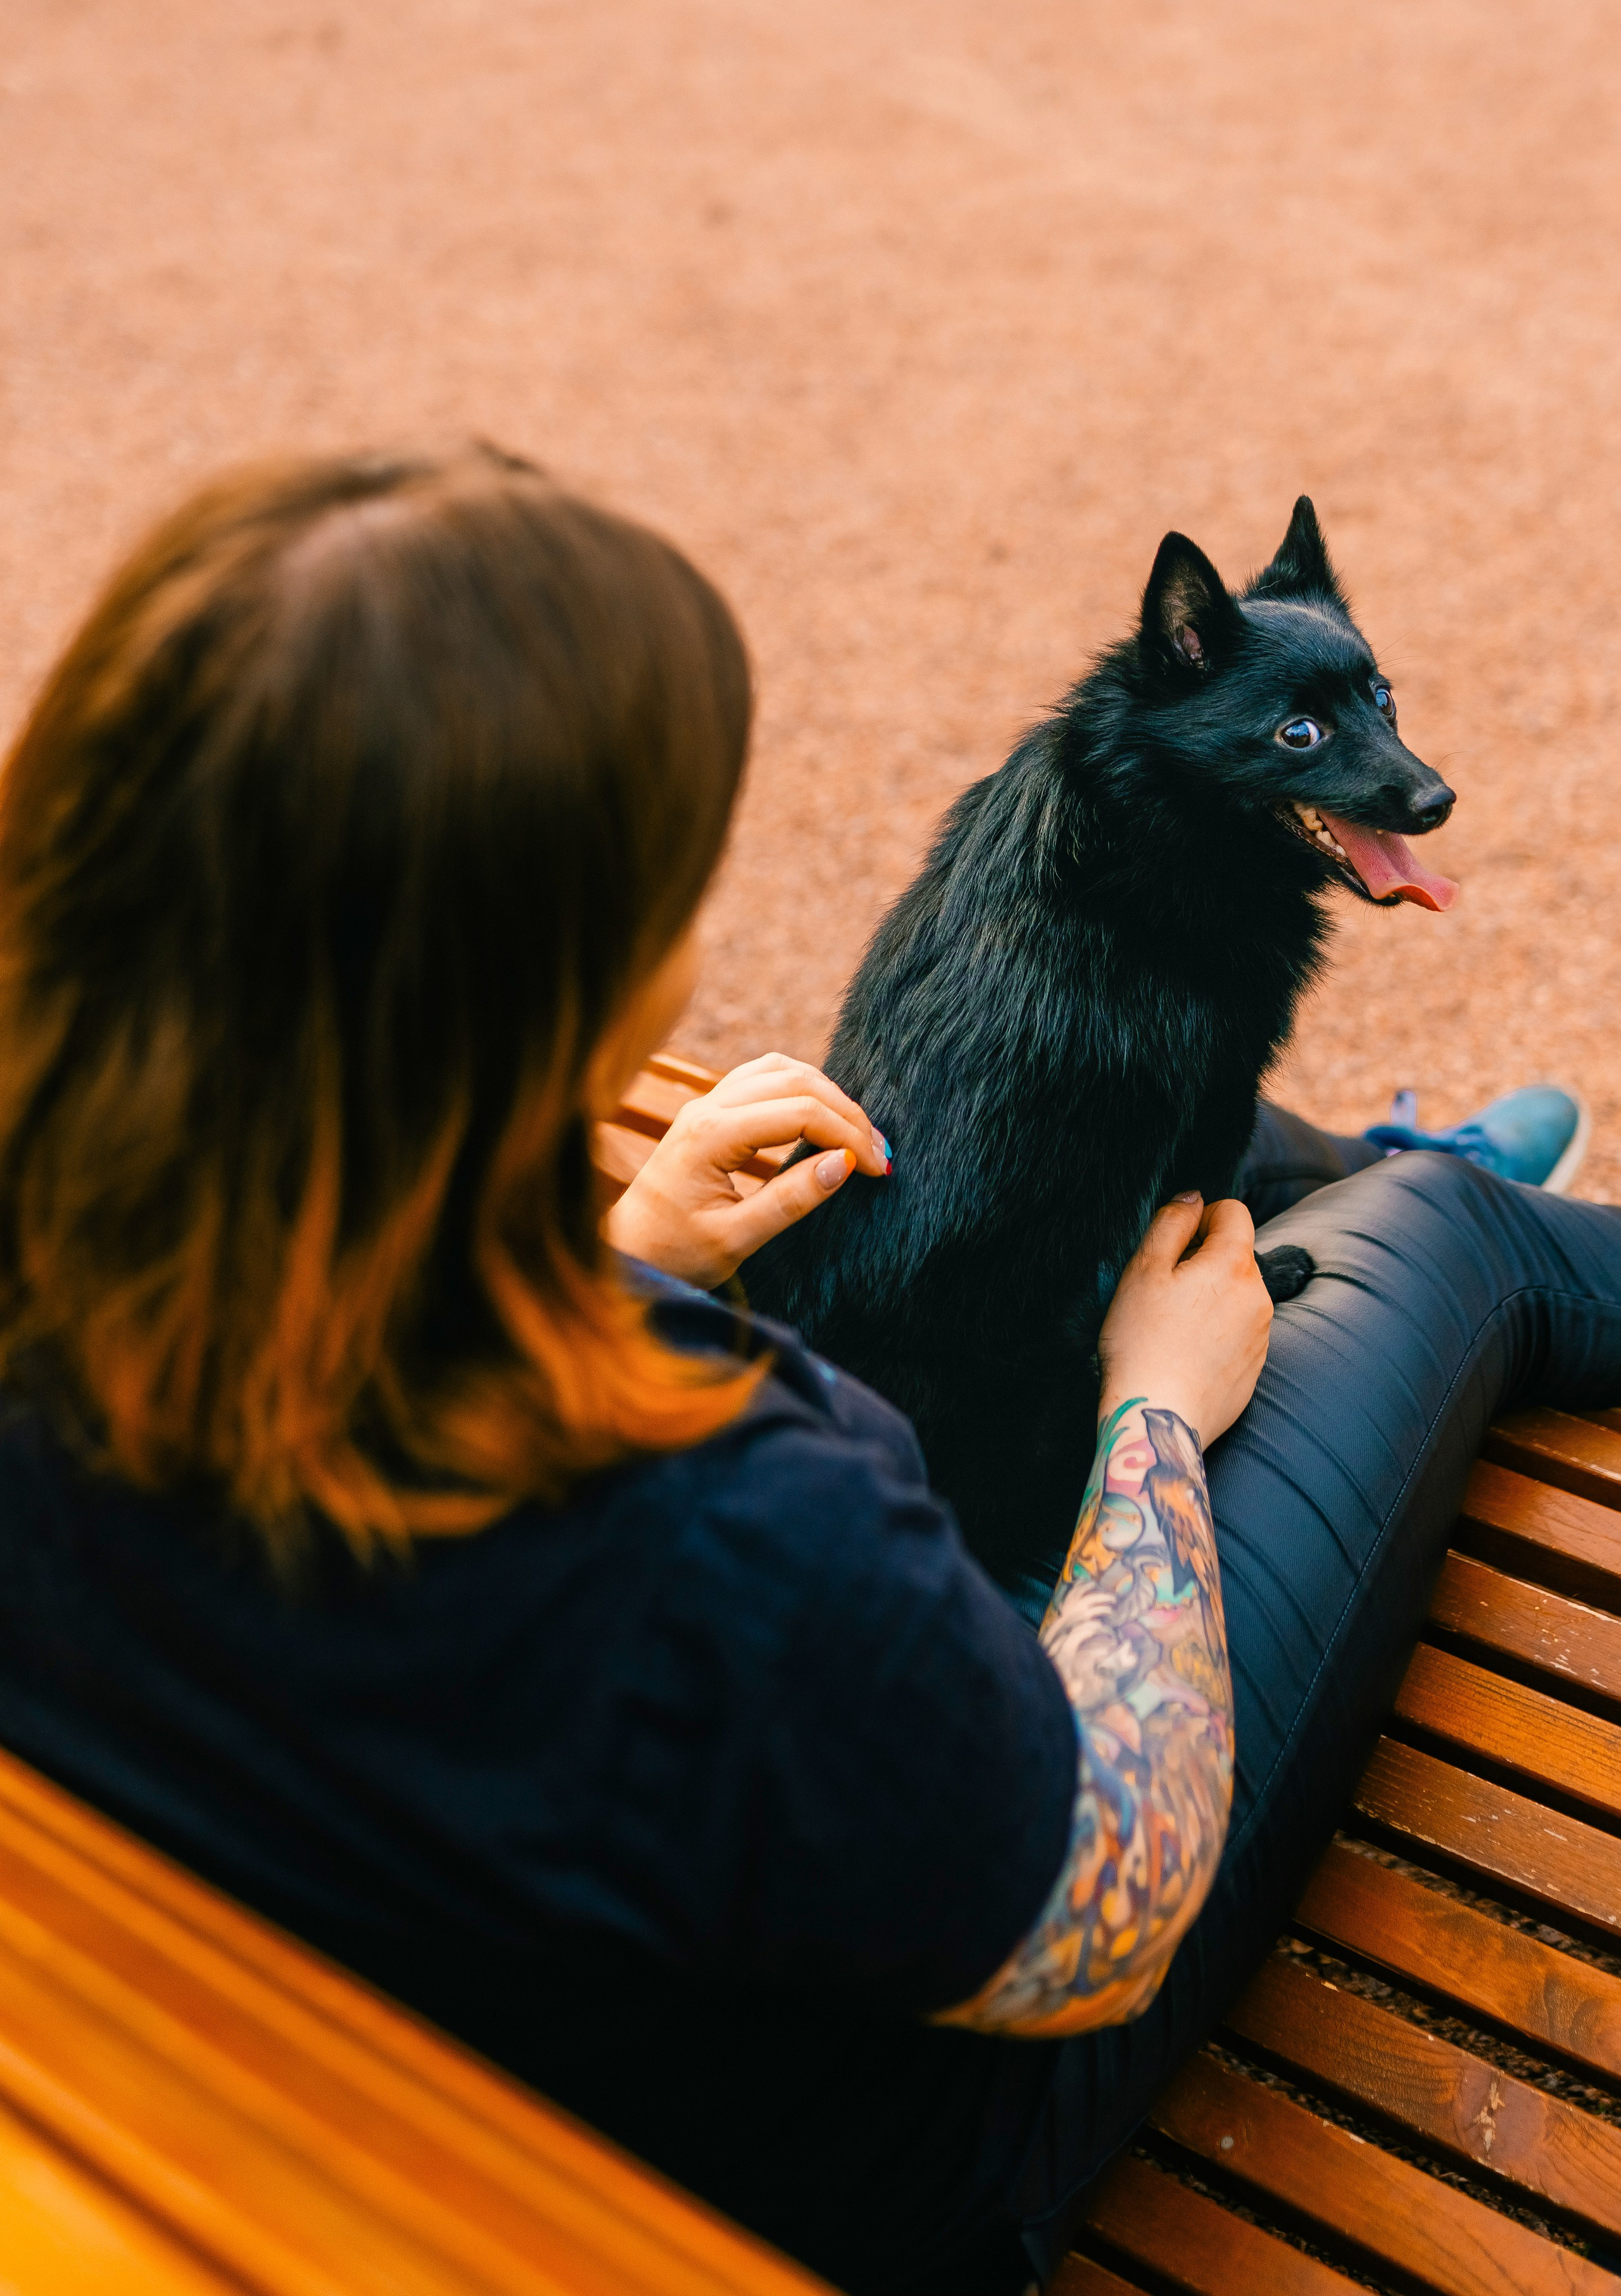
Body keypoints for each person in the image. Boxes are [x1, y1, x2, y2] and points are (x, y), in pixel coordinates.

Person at [0, 448, 1617, 2296]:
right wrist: (1155, 1411)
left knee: (1214, 1139)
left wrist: (621, 1261)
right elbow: (1106, 1900)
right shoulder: (731, 1506)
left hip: (328, 2067)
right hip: (894, 2152)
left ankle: (1366, 1175)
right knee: (1447, 1250)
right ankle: (1444, 1201)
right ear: (566, 976)